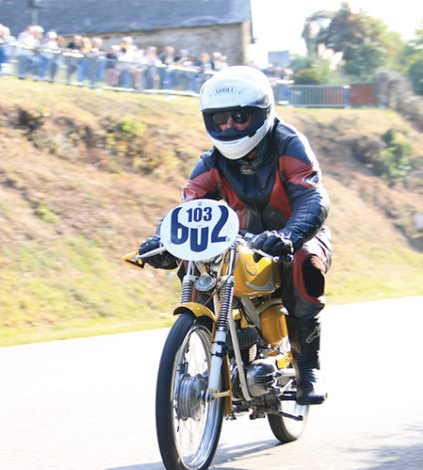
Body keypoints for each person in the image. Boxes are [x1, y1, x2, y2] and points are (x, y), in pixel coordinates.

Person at [138, 65, 331, 405]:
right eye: (219, 119)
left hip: (294, 235)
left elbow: (312, 196)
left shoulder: (289, 145)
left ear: (261, 113)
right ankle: (208, 345)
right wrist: (164, 242)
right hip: (235, 240)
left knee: (307, 265)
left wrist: (291, 235)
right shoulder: (211, 162)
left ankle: (307, 367)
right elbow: (190, 206)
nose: (228, 127)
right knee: (193, 264)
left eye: (239, 117)